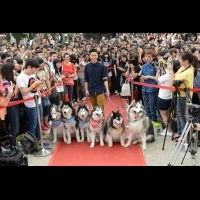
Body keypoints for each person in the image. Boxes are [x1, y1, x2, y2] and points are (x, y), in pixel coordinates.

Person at [16, 58, 48, 146]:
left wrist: (40, 85)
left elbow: (34, 90)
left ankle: (39, 140)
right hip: (30, 104)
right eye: (34, 69)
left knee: (39, 122)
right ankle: (32, 144)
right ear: (29, 67)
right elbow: (24, 92)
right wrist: (35, 84)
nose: (35, 71)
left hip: (38, 101)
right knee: (33, 124)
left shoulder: (32, 75)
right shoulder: (20, 77)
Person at [173, 51, 197, 141]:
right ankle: (180, 133)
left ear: (186, 60)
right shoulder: (182, 68)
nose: (179, 60)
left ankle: (184, 136)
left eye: (180, 59)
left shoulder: (189, 71)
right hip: (180, 94)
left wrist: (171, 71)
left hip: (185, 96)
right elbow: (176, 77)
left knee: (183, 116)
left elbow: (175, 80)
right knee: (179, 115)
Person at [1, 63, 20, 149]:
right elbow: (12, 95)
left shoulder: (9, 81)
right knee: (14, 128)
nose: (14, 71)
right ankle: (13, 146)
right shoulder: (5, 82)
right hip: (12, 107)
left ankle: (14, 144)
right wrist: (17, 87)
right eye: (12, 70)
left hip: (14, 106)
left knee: (15, 127)